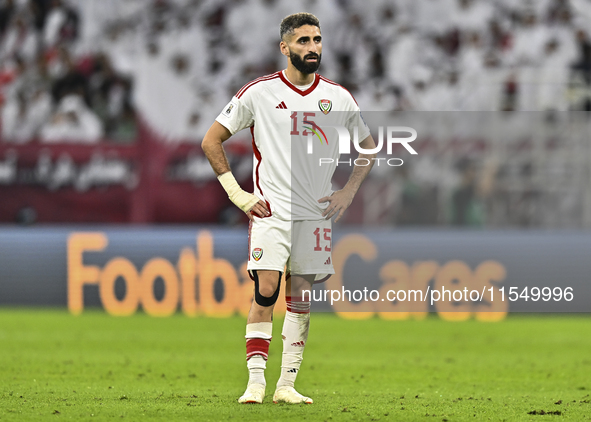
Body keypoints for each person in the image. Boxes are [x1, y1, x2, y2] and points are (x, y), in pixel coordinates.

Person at [201, 12, 376, 405]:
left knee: (301, 296)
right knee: (266, 289)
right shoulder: (258, 93)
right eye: (303, 41)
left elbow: (368, 147)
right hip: (272, 212)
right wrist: (238, 194)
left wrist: (347, 191)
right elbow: (211, 141)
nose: (312, 47)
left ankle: (287, 385)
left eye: (316, 40)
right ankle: (255, 383)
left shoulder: (338, 97)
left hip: (314, 216)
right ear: (285, 47)